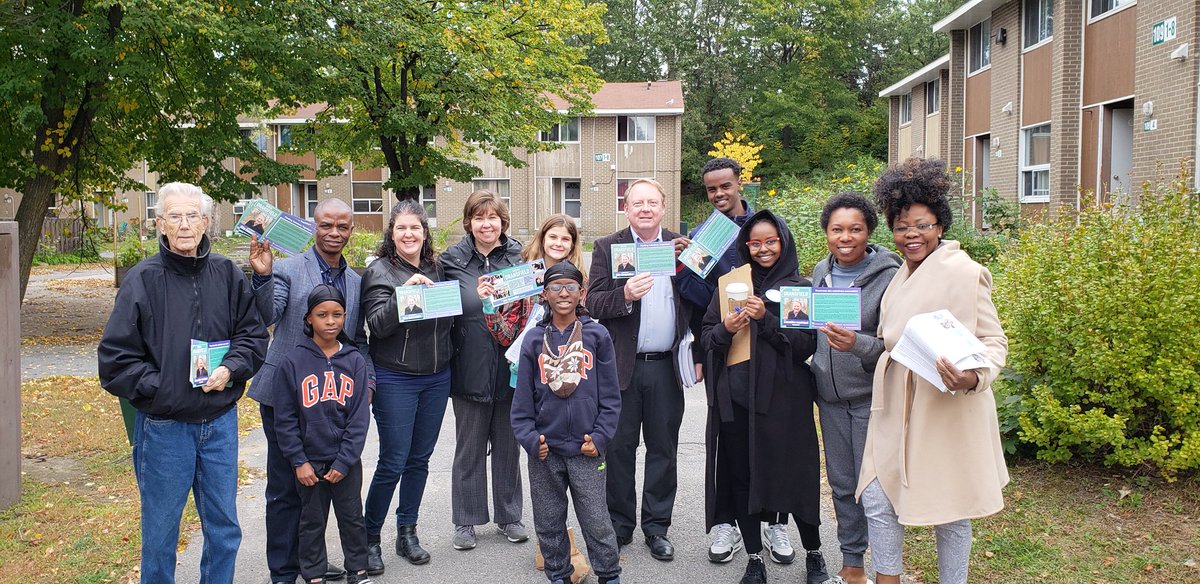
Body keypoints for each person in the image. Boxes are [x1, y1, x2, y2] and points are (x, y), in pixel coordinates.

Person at [98, 182, 268, 583]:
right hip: (165, 428)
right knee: (160, 537)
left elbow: (253, 336)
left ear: (206, 222)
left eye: (193, 215)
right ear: (160, 224)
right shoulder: (142, 280)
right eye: (175, 216)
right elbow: (115, 361)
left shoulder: (227, 273)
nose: (185, 224)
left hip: (219, 424)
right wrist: (163, 390)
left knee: (224, 532)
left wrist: (230, 368)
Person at [857, 158, 1009, 584]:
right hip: (895, 403)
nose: (911, 235)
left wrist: (973, 377)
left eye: (922, 225)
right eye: (902, 226)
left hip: (945, 405)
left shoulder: (965, 272)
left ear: (940, 226)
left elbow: (994, 343)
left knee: (951, 508)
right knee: (876, 496)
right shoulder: (899, 274)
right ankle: (887, 578)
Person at [700, 210, 829, 584]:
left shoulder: (798, 288)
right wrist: (726, 328)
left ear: (783, 241)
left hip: (786, 400)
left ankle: (814, 554)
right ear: (745, 246)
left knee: (795, 475)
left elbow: (806, 345)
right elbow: (707, 338)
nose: (762, 249)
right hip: (738, 399)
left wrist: (766, 320)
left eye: (770, 241)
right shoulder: (730, 284)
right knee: (744, 476)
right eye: (754, 243)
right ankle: (754, 557)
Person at [250, 197, 371, 584]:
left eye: (343, 226)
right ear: (313, 226)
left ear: (352, 230)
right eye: (326, 225)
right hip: (285, 396)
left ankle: (311, 563)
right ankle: (284, 571)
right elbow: (267, 317)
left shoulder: (356, 281)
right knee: (287, 488)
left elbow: (357, 340)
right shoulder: (285, 269)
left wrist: (366, 381)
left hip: (334, 400)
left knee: (325, 493)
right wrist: (262, 278)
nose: (334, 233)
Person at [585, 178, 690, 561]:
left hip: (666, 366)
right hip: (621, 369)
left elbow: (699, 299)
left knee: (664, 448)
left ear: (663, 207)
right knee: (619, 449)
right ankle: (619, 525)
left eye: (652, 202)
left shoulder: (681, 247)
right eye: (637, 203)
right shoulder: (607, 247)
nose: (645, 209)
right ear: (626, 209)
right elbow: (592, 302)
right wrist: (625, 295)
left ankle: (657, 527)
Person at [360, 200, 457, 574]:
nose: (409, 234)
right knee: (393, 461)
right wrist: (405, 296)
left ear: (424, 231)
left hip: (436, 376)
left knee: (420, 460)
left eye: (415, 228)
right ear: (391, 232)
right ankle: (369, 539)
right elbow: (377, 326)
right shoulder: (380, 272)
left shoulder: (438, 266)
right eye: (401, 228)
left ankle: (407, 532)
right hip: (395, 377)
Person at [511, 261, 623, 584]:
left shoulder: (597, 335)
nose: (563, 293)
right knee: (548, 520)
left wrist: (600, 438)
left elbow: (612, 398)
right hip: (546, 452)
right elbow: (521, 403)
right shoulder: (533, 340)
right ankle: (558, 574)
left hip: (587, 450)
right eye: (556, 287)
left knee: (597, 520)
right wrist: (531, 440)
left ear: (582, 292)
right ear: (544, 294)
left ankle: (609, 575)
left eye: (571, 287)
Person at [810, 192, 901, 584]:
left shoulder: (891, 276)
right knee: (843, 484)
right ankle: (851, 567)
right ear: (827, 233)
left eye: (855, 229)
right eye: (836, 229)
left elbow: (897, 344)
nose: (845, 237)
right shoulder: (819, 272)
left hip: (871, 400)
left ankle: (887, 571)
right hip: (829, 400)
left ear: (868, 232)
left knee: (875, 493)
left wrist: (858, 344)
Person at [675, 157, 757, 563]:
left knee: (763, 433)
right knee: (723, 433)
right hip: (721, 344)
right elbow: (693, 298)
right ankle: (726, 520)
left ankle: (770, 519)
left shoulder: (765, 227)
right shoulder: (703, 234)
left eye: (726, 186)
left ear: (740, 183)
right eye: (711, 189)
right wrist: (685, 264)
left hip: (762, 346)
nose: (719, 194)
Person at [440, 190, 529, 550]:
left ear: (502, 222)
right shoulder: (452, 260)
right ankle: (466, 521)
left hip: (511, 368)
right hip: (469, 367)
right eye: (479, 218)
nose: (486, 224)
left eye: (493, 218)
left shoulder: (519, 257)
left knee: (509, 447)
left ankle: (510, 517)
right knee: (469, 449)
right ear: (469, 222)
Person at [272, 285, 373, 584]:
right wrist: (298, 461)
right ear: (308, 319)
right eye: (322, 315)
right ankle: (314, 574)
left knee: (352, 517)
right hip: (309, 461)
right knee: (312, 520)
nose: (330, 321)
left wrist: (345, 461)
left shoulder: (354, 360)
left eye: (337, 315)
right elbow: (285, 418)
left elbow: (359, 417)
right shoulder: (292, 362)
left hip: (345, 461)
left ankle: (358, 570)